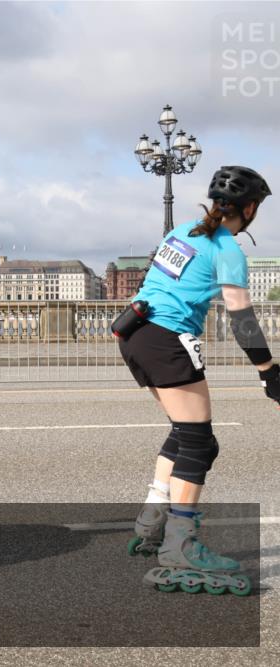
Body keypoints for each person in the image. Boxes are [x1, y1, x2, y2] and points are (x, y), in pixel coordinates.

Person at [121, 166, 279, 595]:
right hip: (167, 339)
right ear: (250, 208)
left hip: (135, 332)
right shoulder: (227, 248)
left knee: (184, 431)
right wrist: (268, 371)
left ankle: (153, 520)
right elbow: (242, 319)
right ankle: (180, 544)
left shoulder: (183, 232)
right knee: (199, 443)